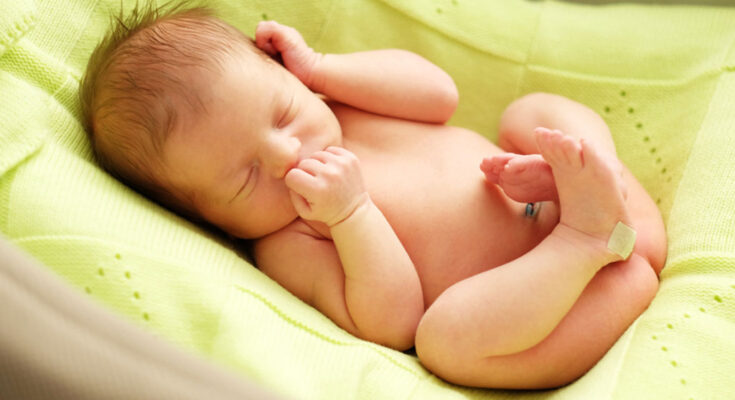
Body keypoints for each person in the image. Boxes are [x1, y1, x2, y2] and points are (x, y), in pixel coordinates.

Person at [79, 5, 666, 389]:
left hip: (559, 194)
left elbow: (439, 95)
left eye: (282, 112)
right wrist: (351, 214)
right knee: (444, 344)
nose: (286, 153)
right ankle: (589, 240)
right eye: (245, 177)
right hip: (544, 295)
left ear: (289, 76)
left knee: (531, 111)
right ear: (213, 221)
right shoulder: (292, 239)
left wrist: (324, 70)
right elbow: (393, 325)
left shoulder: (340, 103)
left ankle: (595, 179)